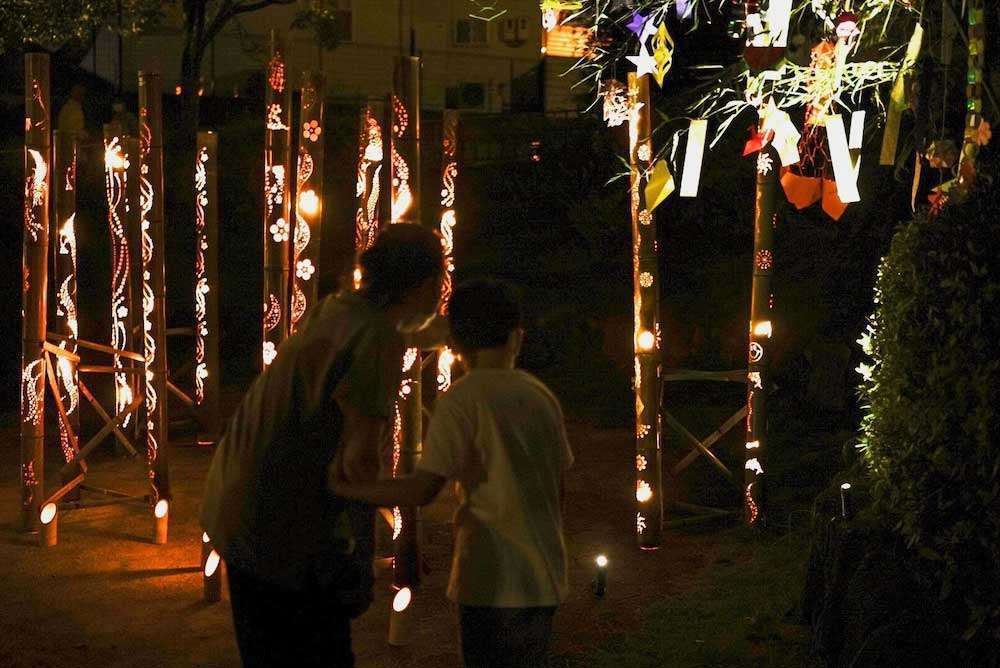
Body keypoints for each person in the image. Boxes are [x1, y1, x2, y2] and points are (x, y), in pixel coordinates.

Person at [200, 224, 445, 668]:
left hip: (234, 505)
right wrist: (362, 556)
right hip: (277, 525)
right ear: (428, 284)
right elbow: (357, 470)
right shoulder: (377, 337)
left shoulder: (337, 309)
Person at [332, 278, 574, 668]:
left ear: (455, 344)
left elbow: (424, 489)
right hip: (542, 575)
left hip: (486, 575)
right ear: (517, 338)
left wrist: (354, 489)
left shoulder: (461, 400)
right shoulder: (541, 396)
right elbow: (558, 483)